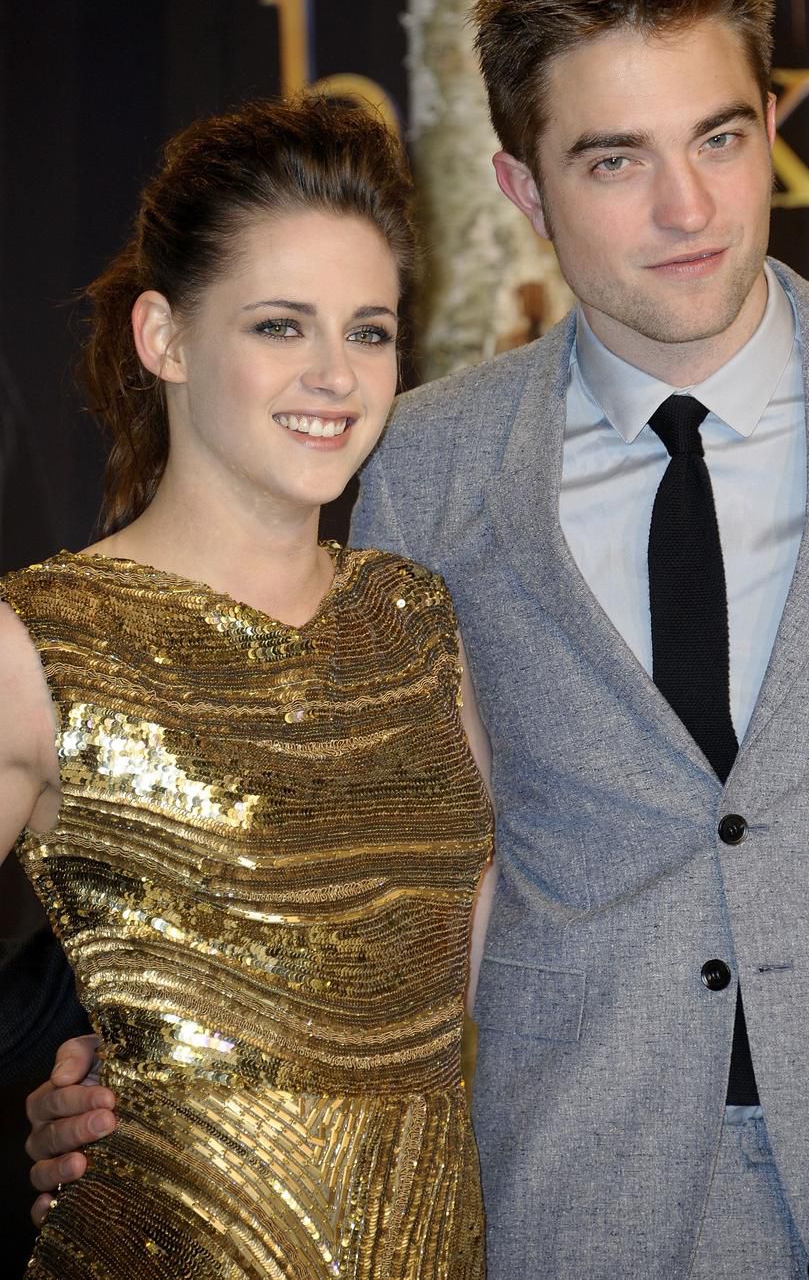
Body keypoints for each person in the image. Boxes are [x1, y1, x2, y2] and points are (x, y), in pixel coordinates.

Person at [27, 0, 809, 1280]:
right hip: (572, 1199)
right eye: (615, 160)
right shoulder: (420, 459)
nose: (688, 209)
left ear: (771, 124)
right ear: (522, 185)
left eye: (720, 138)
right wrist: (121, 1078)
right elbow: (301, 829)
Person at [3, 96, 494, 1279]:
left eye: (369, 331)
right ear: (164, 337)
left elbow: (485, 996)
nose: (336, 375)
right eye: (280, 325)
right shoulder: (41, 640)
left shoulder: (415, 621)